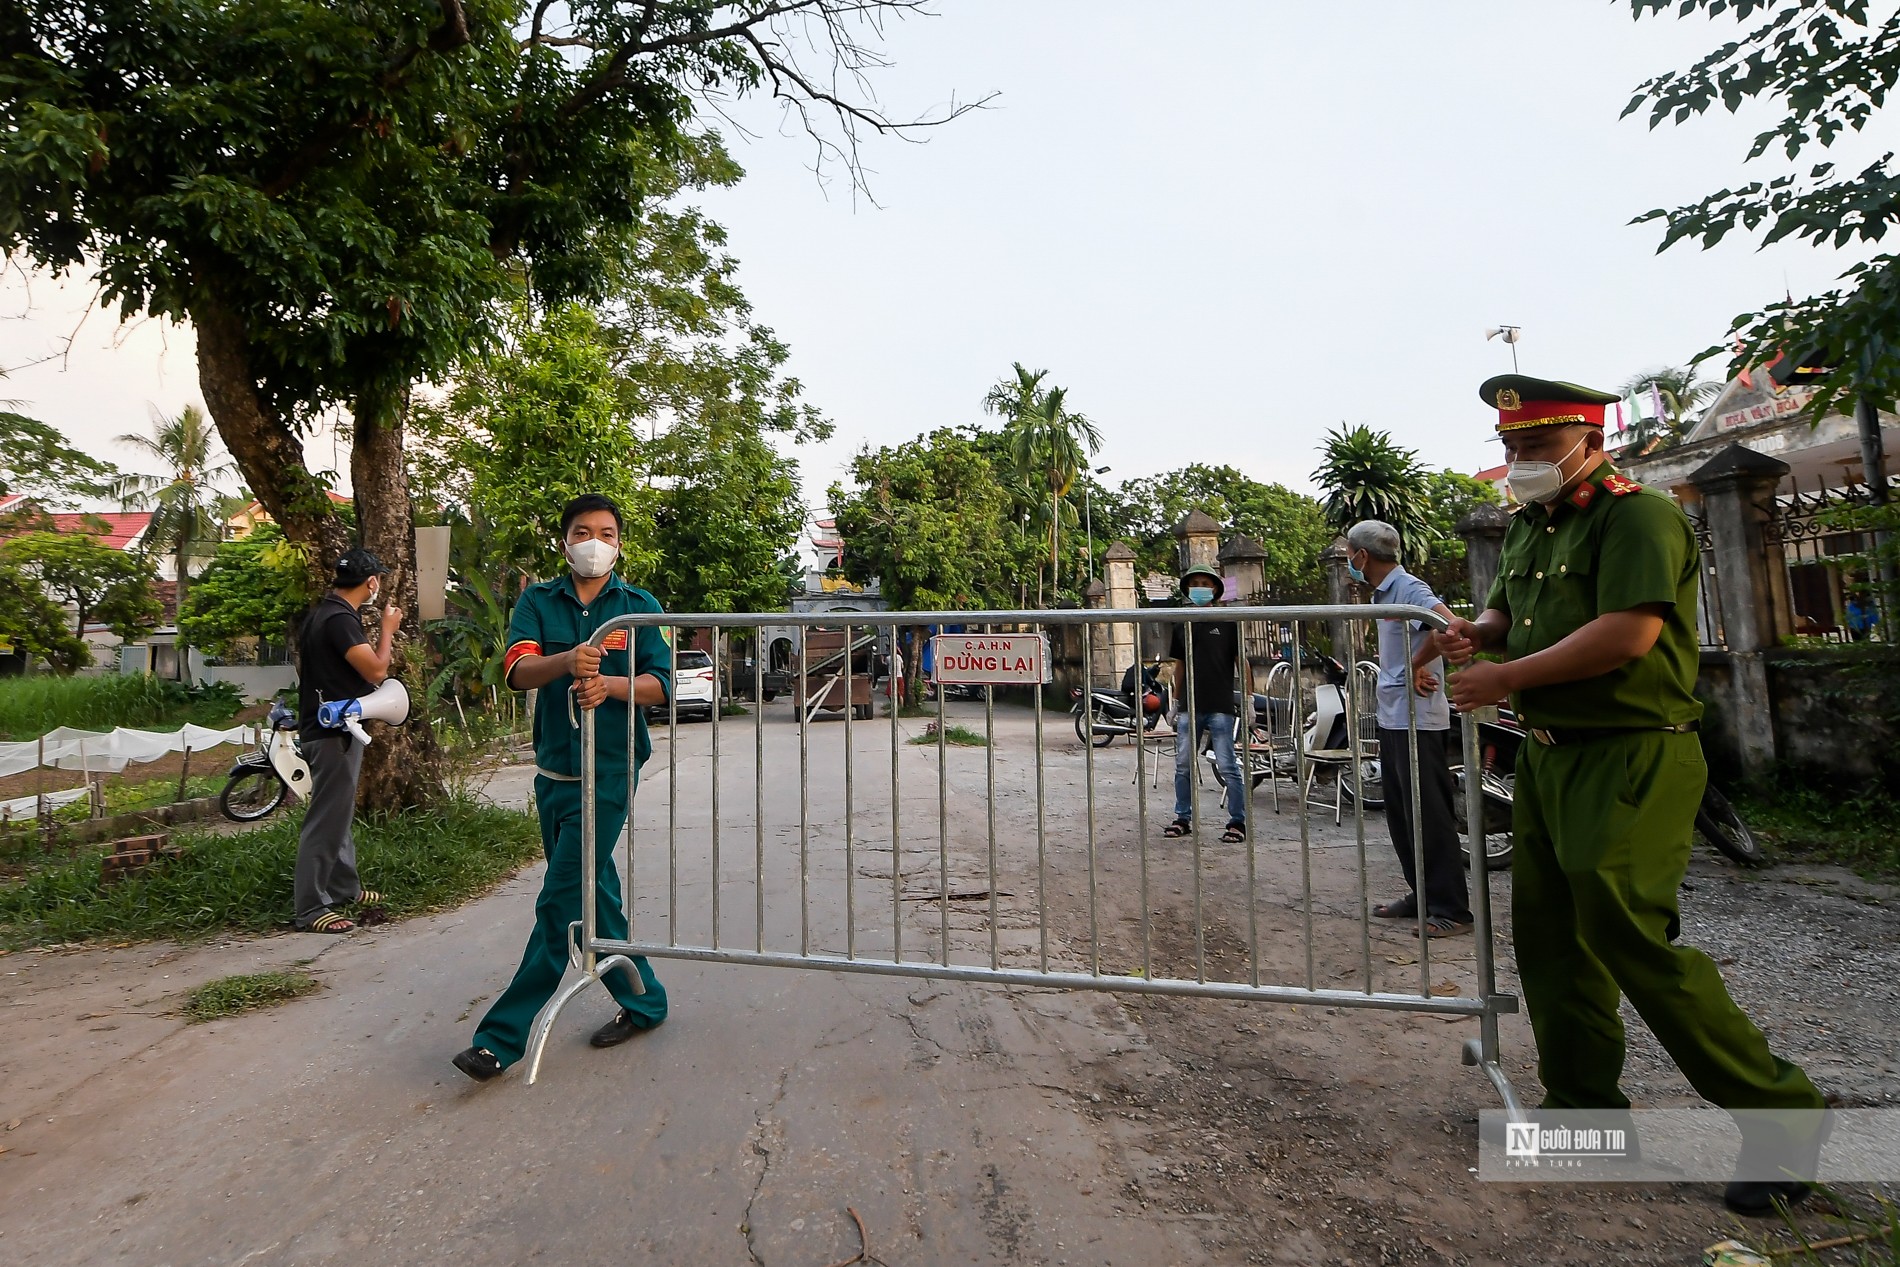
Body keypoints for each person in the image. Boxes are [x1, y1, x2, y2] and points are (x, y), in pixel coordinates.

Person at [1434, 374, 1826, 1217]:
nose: (1517, 464)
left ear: (1587, 438)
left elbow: (1627, 633)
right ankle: (1581, 1112)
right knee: (1549, 938)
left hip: (1631, 753)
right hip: (1547, 756)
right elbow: (1509, 611)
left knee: (1626, 933)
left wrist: (1502, 676)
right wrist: (1475, 634)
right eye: (1508, 449)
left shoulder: (1636, 514)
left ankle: (1783, 1115)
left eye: (1532, 448)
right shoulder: (1536, 525)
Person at [455, 494, 673, 1082]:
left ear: (619, 544)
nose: (594, 541)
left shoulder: (637, 606)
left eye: (606, 532)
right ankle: (646, 1002)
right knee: (594, 896)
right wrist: (567, 661)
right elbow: (517, 667)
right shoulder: (537, 600)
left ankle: (500, 1038)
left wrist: (610, 684)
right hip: (553, 772)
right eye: (582, 531)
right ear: (565, 541)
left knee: (558, 903)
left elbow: (662, 683)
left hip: (608, 772)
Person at [1346, 520, 1472, 937]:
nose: (1349, 561)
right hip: (1394, 716)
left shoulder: (1409, 588)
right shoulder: (1386, 593)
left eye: (1350, 554)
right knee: (1402, 814)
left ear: (1362, 556)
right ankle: (1422, 894)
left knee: (1430, 815)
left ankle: (1452, 910)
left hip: (1419, 720)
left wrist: (1418, 665)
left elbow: (1448, 625)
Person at [293, 547, 400, 934]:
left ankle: (344, 888)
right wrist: (387, 629)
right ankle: (310, 907)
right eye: (379, 581)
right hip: (332, 733)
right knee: (326, 819)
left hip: (325, 730)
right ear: (371, 583)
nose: (379, 587)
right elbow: (375, 670)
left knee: (338, 813)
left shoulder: (324, 612)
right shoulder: (340, 619)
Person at [1164, 563, 1251, 843]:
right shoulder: (1182, 624)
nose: (1199, 587)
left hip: (1221, 705)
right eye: (1194, 583)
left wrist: (1248, 699)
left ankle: (1238, 821)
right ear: (1187, 589)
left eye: (1205, 582)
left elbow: (1242, 662)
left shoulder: (1227, 622)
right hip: (1190, 705)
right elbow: (1179, 665)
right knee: (1183, 765)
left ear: (1215, 588)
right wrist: (1175, 701)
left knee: (1227, 766)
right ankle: (1182, 817)